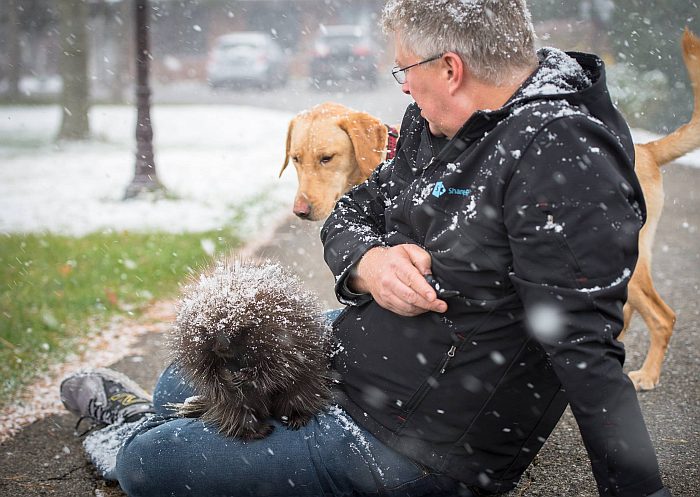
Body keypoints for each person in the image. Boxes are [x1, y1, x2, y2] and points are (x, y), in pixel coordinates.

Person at [60, 1, 671, 496]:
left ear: (450, 67)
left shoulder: (562, 155)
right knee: (178, 380)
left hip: (414, 443)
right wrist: (367, 264)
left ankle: (144, 433)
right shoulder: (432, 125)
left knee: (149, 464)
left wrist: (637, 489)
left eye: (405, 68)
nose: (401, 86)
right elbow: (353, 212)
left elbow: (585, 347)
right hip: (361, 363)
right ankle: (190, 420)